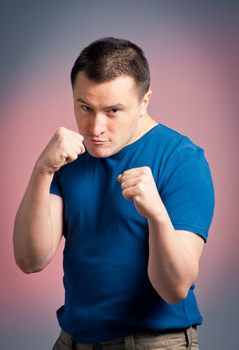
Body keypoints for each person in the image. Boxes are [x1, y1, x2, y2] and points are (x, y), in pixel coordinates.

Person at [13, 37, 214, 350]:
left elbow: (174, 289)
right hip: (74, 341)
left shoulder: (182, 159)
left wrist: (157, 215)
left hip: (153, 342)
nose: (95, 128)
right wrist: (42, 171)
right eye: (85, 108)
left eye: (113, 111)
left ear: (144, 101)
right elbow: (30, 259)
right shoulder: (67, 156)